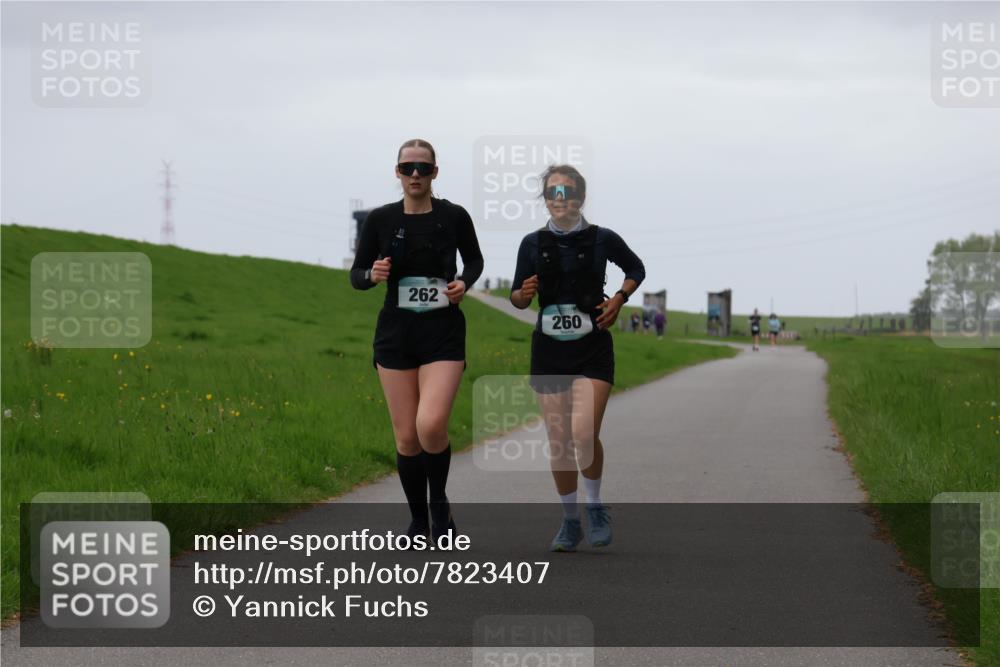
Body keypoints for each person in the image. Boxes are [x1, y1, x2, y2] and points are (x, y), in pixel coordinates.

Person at [350, 138, 483, 545]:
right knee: (407, 437)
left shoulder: (453, 216)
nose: (415, 175)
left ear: (434, 173)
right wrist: (372, 275)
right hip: (396, 335)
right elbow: (357, 275)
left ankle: (439, 504)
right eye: (407, 167)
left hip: (443, 333)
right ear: (397, 172)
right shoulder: (381, 220)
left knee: (431, 424)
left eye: (423, 168)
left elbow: (474, 260)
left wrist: (464, 283)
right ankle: (418, 520)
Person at [510, 164, 645, 552]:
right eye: (552, 192)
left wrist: (619, 298)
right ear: (545, 199)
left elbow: (636, 268)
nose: (559, 199)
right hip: (549, 350)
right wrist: (523, 293)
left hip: (592, 348)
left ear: (580, 198)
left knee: (583, 435)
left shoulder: (603, 238)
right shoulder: (531, 243)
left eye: (567, 192)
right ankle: (570, 521)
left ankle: (595, 506)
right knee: (560, 441)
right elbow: (517, 297)